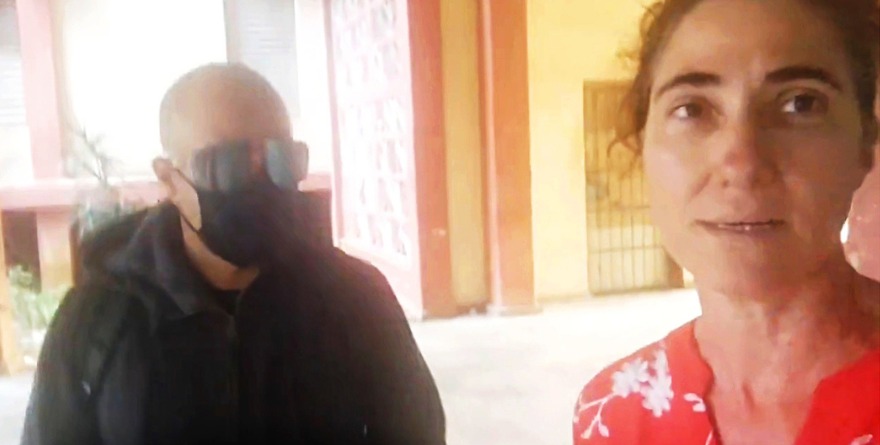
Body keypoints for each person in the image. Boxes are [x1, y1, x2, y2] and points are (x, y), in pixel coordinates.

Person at [22, 63, 446, 445]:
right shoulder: (99, 319)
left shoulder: (355, 298)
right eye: (228, 164)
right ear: (169, 180)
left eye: (281, 159)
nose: (260, 184)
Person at [572, 0, 879, 444]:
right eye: (691, 109)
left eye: (801, 103)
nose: (742, 162)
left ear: (865, 143)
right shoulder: (614, 413)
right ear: (643, 146)